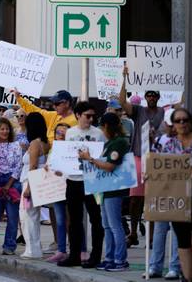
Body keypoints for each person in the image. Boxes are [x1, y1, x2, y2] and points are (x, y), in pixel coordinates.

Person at [78, 112, 131, 272]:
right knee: (107, 225)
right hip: (105, 189)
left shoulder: (119, 142)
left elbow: (110, 166)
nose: (101, 129)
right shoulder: (110, 143)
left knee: (115, 226)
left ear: (107, 126)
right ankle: (109, 258)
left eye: (102, 125)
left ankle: (120, 260)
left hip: (115, 190)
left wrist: (90, 159)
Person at [120, 66, 165, 248]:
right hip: (139, 157)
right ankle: (133, 232)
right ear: (146, 97)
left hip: (158, 160)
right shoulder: (139, 110)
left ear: (158, 97)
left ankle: (152, 237)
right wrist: (124, 78)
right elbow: (122, 102)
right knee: (135, 199)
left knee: (153, 199)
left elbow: (181, 104)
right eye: (149, 95)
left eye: (154, 95)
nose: (152, 97)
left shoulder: (164, 112)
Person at [58, 101, 105, 268]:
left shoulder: (98, 134)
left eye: (93, 116)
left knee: (96, 219)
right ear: (78, 115)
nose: (91, 119)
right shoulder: (70, 133)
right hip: (73, 180)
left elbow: (103, 157)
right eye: (87, 116)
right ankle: (75, 255)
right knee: (75, 220)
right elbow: (65, 154)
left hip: (92, 180)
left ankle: (95, 256)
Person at [158, 108, 192, 282]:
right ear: (173, 124)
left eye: (185, 120)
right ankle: (187, 277)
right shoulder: (168, 145)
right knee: (182, 240)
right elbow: (158, 169)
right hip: (178, 199)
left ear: (190, 121)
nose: (182, 123)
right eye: (178, 121)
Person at [146, 109, 181, 279]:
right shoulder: (160, 141)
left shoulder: (186, 142)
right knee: (160, 229)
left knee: (176, 230)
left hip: (180, 191)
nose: (172, 127)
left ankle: (175, 266)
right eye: (170, 124)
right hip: (162, 191)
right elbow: (153, 161)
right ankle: (155, 266)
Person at [0, 117, 23, 255]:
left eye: (7, 129)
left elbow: (18, 166)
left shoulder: (16, 145)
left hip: (12, 182)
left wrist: (8, 185)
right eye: (2, 129)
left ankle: (9, 246)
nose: (5, 131)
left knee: (12, 217)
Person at [19, 113, 49, 259]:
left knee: (27, 216)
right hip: (37, 181)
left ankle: (32, 250)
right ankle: (34, 248)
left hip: (30, 182)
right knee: (33, 216)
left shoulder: (35, 144)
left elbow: (33, 166)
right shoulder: (44, 143)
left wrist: (28, 188)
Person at [47, 122, 71, 263]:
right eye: (58, 133)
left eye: (64, 133)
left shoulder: (72, 149)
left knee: (72, 221)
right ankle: (61, 250)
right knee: (60, 221)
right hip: (57, 189)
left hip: (71, 189)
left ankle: (75, 249)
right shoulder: (53, 149)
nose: (61, 136)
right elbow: (50, 166)